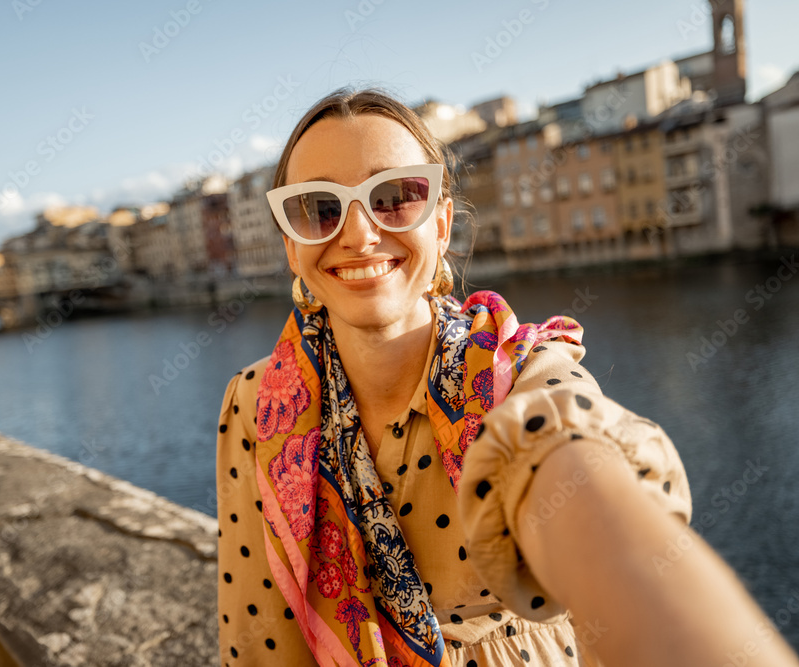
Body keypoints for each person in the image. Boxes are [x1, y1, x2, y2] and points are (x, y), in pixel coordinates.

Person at [215, 87, 799, 667]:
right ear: (292, 247)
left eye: (393, 196)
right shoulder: (256, 404)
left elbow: (562, 447)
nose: (360, 233)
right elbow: (259, 636)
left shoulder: (514, 373)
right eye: (319, 207)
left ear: (441, 224)